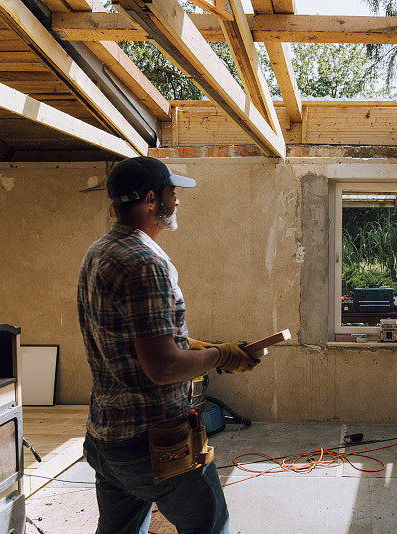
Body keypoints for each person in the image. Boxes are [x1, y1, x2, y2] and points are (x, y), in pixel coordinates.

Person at [77, 156, 261, 534]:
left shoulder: (100, 251)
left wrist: (201, 347)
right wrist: (221, 355)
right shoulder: (146, 263)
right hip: (152, 442)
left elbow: (134, 337)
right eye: (171, 193)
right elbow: (162, 367)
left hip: (108, 437)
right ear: (150, 199)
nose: (177, 201)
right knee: (211, 525)